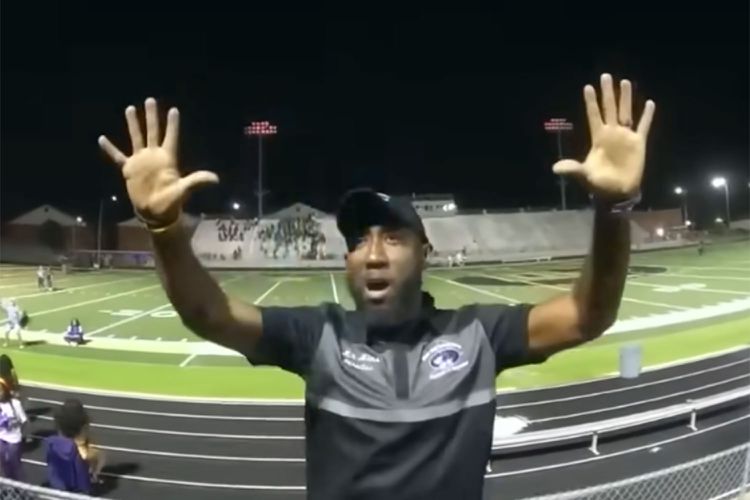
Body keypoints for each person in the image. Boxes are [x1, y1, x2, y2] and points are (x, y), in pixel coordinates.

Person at [98, 73, 655, 500]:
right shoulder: (318, 336)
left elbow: (587, 314)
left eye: (392, 237)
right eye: (358, 240)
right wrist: (163, 228)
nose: (372, 253)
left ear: (425, 254)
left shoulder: (480, 334)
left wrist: (613, 209)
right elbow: (208, 313)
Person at [46, 399, 99, 493]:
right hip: (75, 490)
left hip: (56, 485)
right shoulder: (76, 453)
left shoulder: (50, 442)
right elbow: (81, 477)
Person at [0, 377, 27, 481]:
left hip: (14, 440)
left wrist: (19, 433)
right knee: (4, 463)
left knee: (15, 464)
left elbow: (24, 421)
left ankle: (20, 485)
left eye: (0, 390)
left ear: (5, 390)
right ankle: (10, 484)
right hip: (1, 438)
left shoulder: (15, 404)